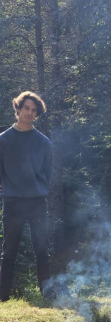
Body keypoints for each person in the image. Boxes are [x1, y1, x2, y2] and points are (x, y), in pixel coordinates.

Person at [0, 91, 52, 302]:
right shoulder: (3, 140)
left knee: (42, 249)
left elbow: (47, 173)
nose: (30, 113)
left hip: (37, 201)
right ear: (18, 109)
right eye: (27, 109)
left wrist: (38, 189)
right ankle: (2, 297)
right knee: (9, 251)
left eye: (34, 110)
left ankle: (47, 294)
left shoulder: (43, 142)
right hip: (13, 201)